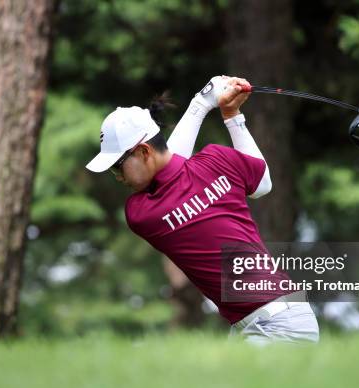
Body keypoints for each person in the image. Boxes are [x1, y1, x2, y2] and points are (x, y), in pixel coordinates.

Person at [85, 75, 319, 345]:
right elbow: (262, 185)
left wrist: (203, 104)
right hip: (263, 320)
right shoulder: (215, 159)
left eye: (117, 165)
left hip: (279, 323)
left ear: (144, 152)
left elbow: (180, 169)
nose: (117, 176)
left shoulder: (142, 211)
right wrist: (231, 115)